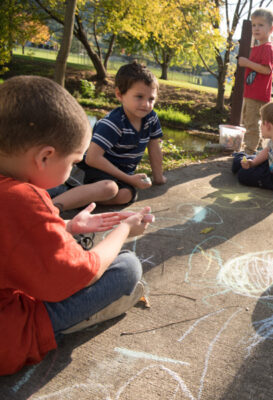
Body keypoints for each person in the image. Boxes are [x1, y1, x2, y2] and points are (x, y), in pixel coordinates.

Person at [0, 76, 154, 375]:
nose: (72, 170)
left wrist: (66, 226)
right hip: (8, 337)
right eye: (72, 162)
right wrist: (123, 230)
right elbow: (84, 273)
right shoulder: (23, 198)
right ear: (45, 156)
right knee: (128, 267)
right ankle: (81, 318)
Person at [79, 61, 166, 205]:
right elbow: (92, 159)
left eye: (151, 99)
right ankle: (59, 202)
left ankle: (85, 199)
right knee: (109, 188)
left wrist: (159, 177)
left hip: (121, 176)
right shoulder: (113, 123)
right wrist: (129, 179)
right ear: (120, 95)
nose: (146, 104)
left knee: (126, 195)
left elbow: (154, 146)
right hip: (96, 171)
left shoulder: (151, 118)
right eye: (139, 97)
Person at [238, 8, 273, 154]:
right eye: (254, 25)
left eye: (261, 25)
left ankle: (249, 150)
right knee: (249, 120)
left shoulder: (267, 48)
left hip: (257, 94)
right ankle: (258, 148)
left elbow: (267, 69)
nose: (256, 28)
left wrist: (247, 63)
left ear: (270, 29)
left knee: (252, 123)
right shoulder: (258, 47)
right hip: (251, 92)